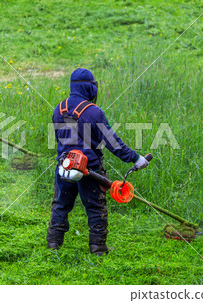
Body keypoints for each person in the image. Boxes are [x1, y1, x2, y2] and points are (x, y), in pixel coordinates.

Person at [47, 68, 149, 255]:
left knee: (60, 206)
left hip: (64, 166)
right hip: (90, 170)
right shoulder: (93, 112)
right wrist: (135, 158)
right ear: (89, 87)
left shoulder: (58, 108)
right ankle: (98, 248)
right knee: (95, 208)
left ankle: (53, 243)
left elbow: (59, 139)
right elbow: (113, 143)